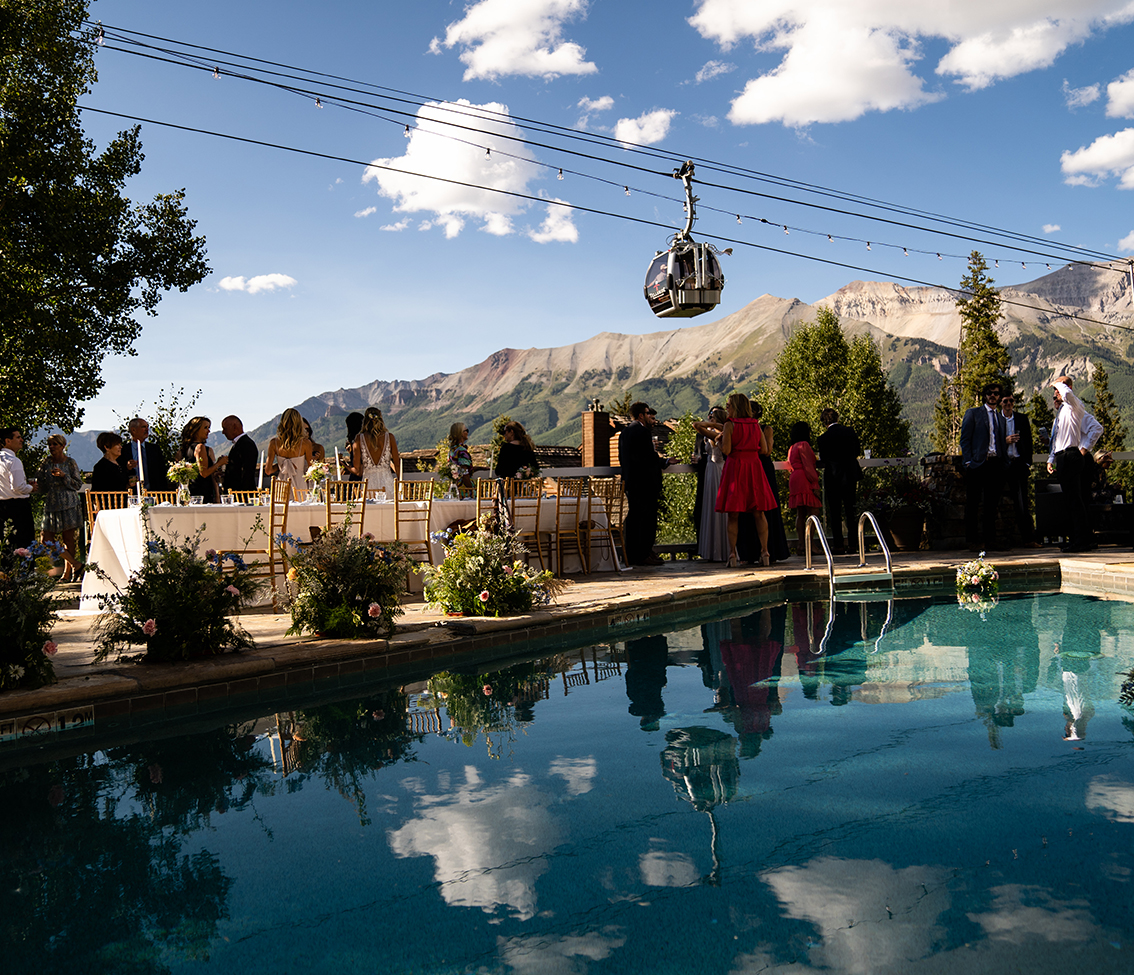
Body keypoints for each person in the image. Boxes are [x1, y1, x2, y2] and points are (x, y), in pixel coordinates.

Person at [715, 392, 775, 567]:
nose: (726, 407)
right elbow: (764, 450)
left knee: (733, 514)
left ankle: (733, 554)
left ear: (735, 407)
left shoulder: (729, 425)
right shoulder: (755, 424)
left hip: (736, 467)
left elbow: (726, 450)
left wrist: (718, 442)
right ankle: (765, 552)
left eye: (729, 405)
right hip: (754, 467)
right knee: (759, 512)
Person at [1048, 375, 1102, 544]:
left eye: (1058, 389)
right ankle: (1078, 538)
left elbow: (1097, 428)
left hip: (1072, 455)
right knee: (1071, 500)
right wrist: (1052, 458)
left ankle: (1081, 540)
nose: (1056, 393)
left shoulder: (1075, 406)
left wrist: (1083, 450)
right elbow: (1058, 438)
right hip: (1063, 456)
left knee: (1076, 500)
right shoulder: (1063, 411)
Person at [619, 403, 672, 566]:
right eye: (649, 414)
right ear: (641, 415)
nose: (651, 418)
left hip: (632, 482)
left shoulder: (626, 432)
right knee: (646, 520)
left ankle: (635, 553)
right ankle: (643, 554)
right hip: (645, 484)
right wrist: (665, 461)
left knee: (635, 519)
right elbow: (646, 459)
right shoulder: (642, 432)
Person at [960, 383, 1007, 551]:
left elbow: (1001, 442)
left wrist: (1003, 462)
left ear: (999, 397)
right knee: (973, 503)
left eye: (996, 393)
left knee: (991, 504)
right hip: (978, 464)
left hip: (995, 464)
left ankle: (990, 540)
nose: (992, 396)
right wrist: (968, 462)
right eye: (989, 393)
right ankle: (972, 541)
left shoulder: (1001, 418)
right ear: (985, 395)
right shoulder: (973, 413)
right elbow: (965, 439)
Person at [35, 434, 83, 580]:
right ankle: (76, 564)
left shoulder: (70, 463)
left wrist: (64, 476)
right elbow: (41, 483)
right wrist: (34, 486)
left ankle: (67, 573)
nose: (52, 447)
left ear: (63, 446)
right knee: (46, 538)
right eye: (50, 444)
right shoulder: (46, 463)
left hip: (69, 502)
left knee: (68, 539)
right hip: (52, 502)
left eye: (55, 444)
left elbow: (78, 484)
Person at [815, 408, 863, 554]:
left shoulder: (823, 439)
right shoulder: (850, 432)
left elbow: (823, 458)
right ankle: (854, 544)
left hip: (833, 477)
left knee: (835, 512)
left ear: (824, 422)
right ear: (837, 418)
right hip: (849, 475)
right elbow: (857, 452)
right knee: (851, 509)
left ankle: (838, 545)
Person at [998, 393, 1040, 548]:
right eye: (1005, 401)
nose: (1008, 403)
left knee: (1022, 503)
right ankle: (996, 540)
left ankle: (1028, 539)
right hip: (1001, 465)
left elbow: (1028, 441)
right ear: (1001, 403)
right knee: (995, 502)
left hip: (1018, 464)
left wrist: (1027, 462)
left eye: (1011, 401)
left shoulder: (1021, 419)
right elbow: (992, 442)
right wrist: (1005, 441)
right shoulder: (996, 420)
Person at [692, 408, 729, 561]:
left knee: (719, 507)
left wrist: (714, 424)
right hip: (709, 470)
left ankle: (721, 549)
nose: (709, 419)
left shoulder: (720, 433)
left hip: (717, 470)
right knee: (709, 508)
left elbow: (696, 424)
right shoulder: (712, 432)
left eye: (712, 417)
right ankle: (711, 548)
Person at [786, 421, 823, 556]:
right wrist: (815, 484)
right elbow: (808, 466)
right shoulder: (804, 445)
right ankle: (810, 544)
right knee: (813, 511)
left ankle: (801, 544)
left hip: (795, 478)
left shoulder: (792, 447)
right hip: (804, 478)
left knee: (800, 514)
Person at [0, 426, 36, 550]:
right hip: (18, 508)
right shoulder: (13, 461)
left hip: (2, 506)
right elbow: (18, 487)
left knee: (6, 544)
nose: (21, 440)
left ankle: (6, 569)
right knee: (24, 543)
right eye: (18, 437)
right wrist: (31, 488)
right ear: (7, 441)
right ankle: (24, 569)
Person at [267, 408, 315, 496]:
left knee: (280, 508)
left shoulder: (274, 443)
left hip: (281, 484)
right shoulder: (305, 443)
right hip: (299, 484)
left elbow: (268, 470)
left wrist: (282, 465)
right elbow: (311, 469)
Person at [353, 406, 399, 495]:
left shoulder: (359, 438)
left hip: (368, 484)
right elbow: (397, 464)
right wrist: (400, 483)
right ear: (380, 419)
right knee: (391, 507)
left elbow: (357, 468)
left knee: (368, 508)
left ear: (365, 420)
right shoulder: (390, 437)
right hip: (387, 483)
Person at [180, 416, 226, 503]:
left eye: (209, 428)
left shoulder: (182, 451)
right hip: (203, 492)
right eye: (205, 428)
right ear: (196, 430)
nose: (208, 431)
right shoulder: (201, 448)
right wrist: (219, 463)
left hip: (188, 493)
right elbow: (204, 473)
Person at [119, 417, 170, 491]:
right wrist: (127, 468)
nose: (147, 430)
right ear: (133, 430)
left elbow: (162, 472)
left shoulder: (155, 449)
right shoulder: (123, 450)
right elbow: (118, 472)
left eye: (147, 427)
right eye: (143, 427)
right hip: (132, 493)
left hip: (154, 492)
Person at [220, 415, 258, 492]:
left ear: (234, 427)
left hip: (241, 495)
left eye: (225, 428)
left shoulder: (246, 444)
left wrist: (242, 495)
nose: (223, 432)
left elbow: (247, 473)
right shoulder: (240, 443)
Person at [448, 422, 474, 497]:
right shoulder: (461, 451)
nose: (467, 433)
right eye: (466, 430)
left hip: (454, 487)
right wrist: (472, 489)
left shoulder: (452, 450)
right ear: (461, 433)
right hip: (463, 490)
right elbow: (464, 472)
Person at [343, 412, 364, 480]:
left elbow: (358, 472)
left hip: (358, 482)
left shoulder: (357, 442)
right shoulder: (366, 441)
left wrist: (343, 464)